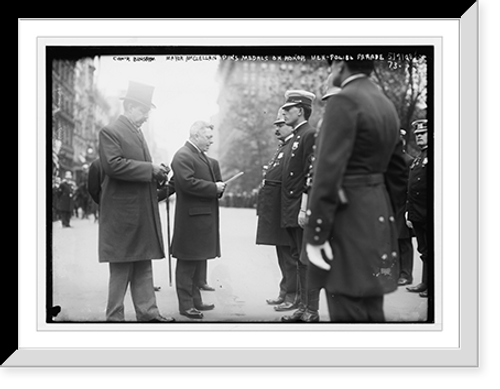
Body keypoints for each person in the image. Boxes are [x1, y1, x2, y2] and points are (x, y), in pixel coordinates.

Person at [304, 59, 408, 323]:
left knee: (347, 310)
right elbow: (397, 175)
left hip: (347, 221)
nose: (329, 73)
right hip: (377, 218)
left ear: (340, 65)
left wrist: (316, 236)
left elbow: (326, 176)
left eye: (330, 67)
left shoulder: (343, 101)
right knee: (372, 308)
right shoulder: (385, 104)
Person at [98, 80, 174, 323]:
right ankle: (114, 318)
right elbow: (114, 165)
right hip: (123, 216)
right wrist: (150, 169)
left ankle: (148, 313)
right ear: (130, 107)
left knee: (143, 264)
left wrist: (159, 176)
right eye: (143, 111)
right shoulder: (111, 131)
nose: (146, 117)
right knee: (121, 269)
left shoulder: (135, 133)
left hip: (138, 214)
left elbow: (138, 172)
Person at [168, 121, 225, 319]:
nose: (211, 141)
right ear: (195, 135)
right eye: (208, 137)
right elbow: (186, 183)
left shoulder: (197, 156)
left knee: (196, 262)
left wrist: (217, 188)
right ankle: (186, 305)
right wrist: (213, 188)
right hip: (191, 221)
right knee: (187, 263)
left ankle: (195, 300)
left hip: (199, 219)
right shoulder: (183, 155)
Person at [274, 90, 318, 323]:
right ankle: (302, 307)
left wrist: (304, 208)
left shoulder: (309, 134)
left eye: (287, 109)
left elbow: (310, 176)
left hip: (300, 208)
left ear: (299, 111)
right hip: (291, 207)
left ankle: (311, 309)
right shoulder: (297, 137)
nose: (284, 112)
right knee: (298, 257)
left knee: (305, 259)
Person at [255, 108, 297, 307]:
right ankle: (284, 291)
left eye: (281, 125)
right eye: (276, 126)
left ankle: (292, 296)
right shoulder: (283, 147)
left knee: (289, 255)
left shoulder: (292, 148)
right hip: (277, 208)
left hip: (286, 208)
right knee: (282, 253)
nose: (276, 130)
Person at [405, 119, 430, 298]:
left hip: (430, 212)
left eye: (423, 133)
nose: (419, 136)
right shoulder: (420, 158)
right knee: (424, 251)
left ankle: (433, 285)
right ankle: (425, 283)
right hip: (418, 213)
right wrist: (409, 211)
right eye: (417, 134)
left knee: (433, 250)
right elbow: (412, 186)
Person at [397, 129, 415, 286]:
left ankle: (406, 274)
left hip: (402, 205)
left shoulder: (408, 160)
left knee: (404, 241)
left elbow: (411, 187)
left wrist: (408, 209)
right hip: (389, 206)